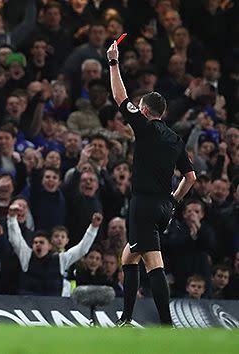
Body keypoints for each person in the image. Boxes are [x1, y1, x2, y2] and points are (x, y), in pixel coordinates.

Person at [107, 40, 197, 327]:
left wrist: (113, 62)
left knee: (153, 263)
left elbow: (120, 96)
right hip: (162, 206)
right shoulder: (175, 138)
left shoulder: (145, 128)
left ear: (145, 110)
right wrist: (174, 201)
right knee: (128, 257)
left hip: (144, 204)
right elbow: (191, 177)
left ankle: (167, 325)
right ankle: (126, 317)